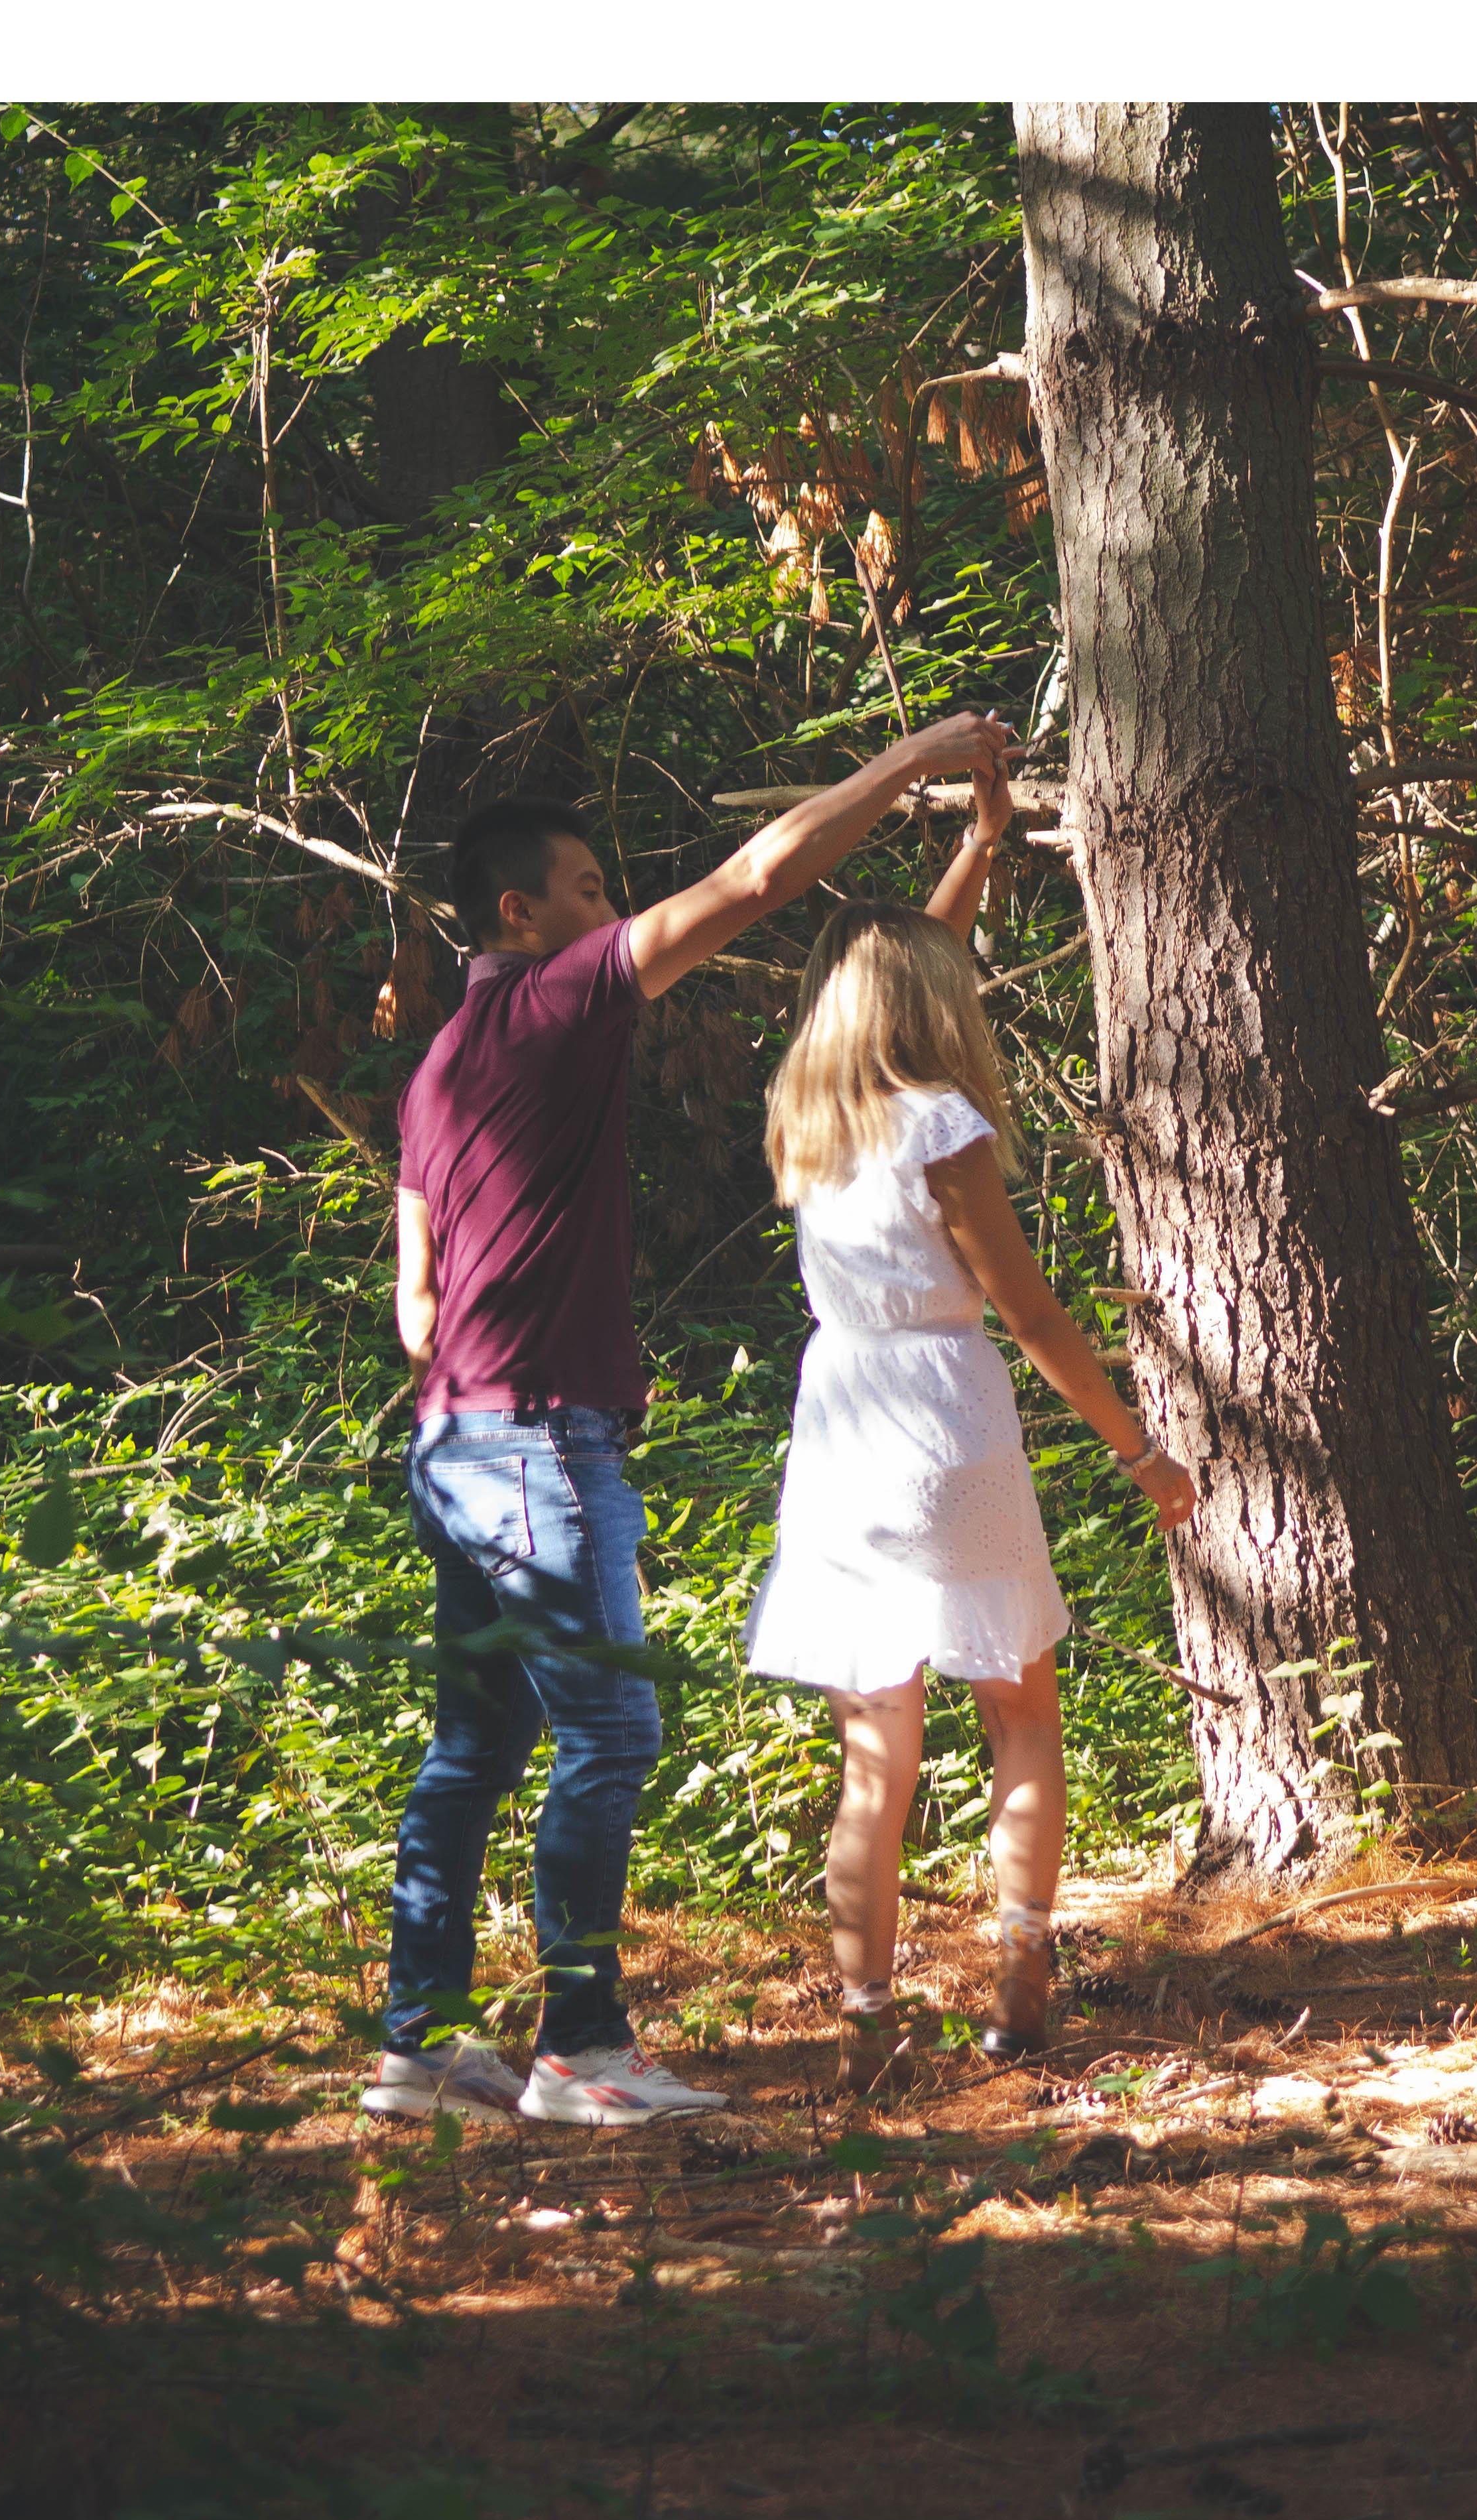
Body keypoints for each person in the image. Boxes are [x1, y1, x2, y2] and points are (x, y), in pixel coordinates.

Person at [369, 709, 1015, 2129]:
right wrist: (907, 762)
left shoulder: (433, 1071)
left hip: (450, 1442)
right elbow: (758, 882)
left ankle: (415, 2052)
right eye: (594, 890)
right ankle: (577, 2047)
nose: (615, 913)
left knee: (474, 1744)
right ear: (518, 911)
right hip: (539, 1440)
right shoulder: (557, 1000)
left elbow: (414, 1308)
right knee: (612, 1727)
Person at [741, 759, 1198, 2063]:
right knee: (1019, 1713)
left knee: (873, 1757)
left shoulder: (807, 1116)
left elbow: (910, 965)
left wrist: (987, 840)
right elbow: (1033, 1313)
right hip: (943, 1417)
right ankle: (1018, 1974)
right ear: (920, 1006)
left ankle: (864, 2022)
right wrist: (1138, 1447)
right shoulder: (939, 1121)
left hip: (838, 1424)